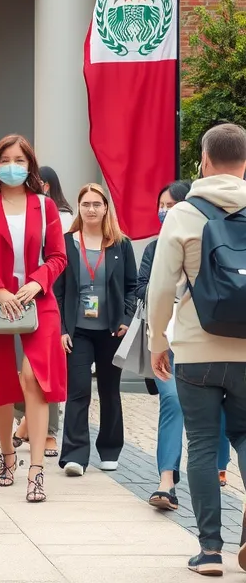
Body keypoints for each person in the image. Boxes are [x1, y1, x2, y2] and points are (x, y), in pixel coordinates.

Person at [148, 123, 246, 576]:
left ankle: (209, 551)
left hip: (196, 349)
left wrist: (157, 342)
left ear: (203, 162)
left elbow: (161, 286)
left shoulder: (184, 214)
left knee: (203, 446)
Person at [0, 135, 66, 504]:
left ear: (30, 165)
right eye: (5, 159)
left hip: (38, 301)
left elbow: (58, 256)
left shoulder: (44, 206)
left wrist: (37, 282)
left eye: (19, 159)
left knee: (35, 377)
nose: (12, 165)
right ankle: (7, 455)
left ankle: (37, 469)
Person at [137, 180, 231, 510]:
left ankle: (219, 468)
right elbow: (145, 288)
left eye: (170, 204)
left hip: (200, 334)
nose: (165, 211)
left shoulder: (209, 233)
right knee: (173, 402)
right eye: (161, 205)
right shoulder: (153, 248)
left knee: (219, 409)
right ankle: (166, 481)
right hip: (171, 338)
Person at [56, 183, 137, 477]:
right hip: (78, 330)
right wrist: (61, 328)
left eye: (97, 204)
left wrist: (126, 318)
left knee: (109, 390)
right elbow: (58, 291)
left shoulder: (120, 244)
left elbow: (132, 286)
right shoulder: (66, 243)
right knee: (78, 391)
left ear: (106, 208)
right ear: (79, 207)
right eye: (86, 204)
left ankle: (111, 449)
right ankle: (75, 454)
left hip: (111, 330)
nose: (91, 209)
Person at [13, 164, 72, 459]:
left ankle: (46, 436)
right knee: (22, 376)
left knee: (40, 373)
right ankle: (21, 428)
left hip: (46, 297)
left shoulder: (56, 213)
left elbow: (59, 258)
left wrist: (38, 283)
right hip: (8, 301)